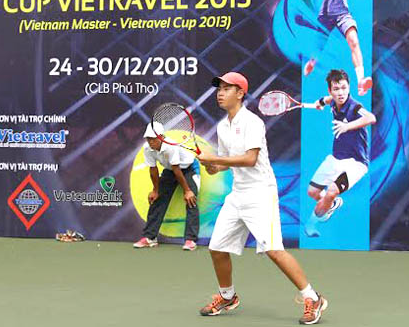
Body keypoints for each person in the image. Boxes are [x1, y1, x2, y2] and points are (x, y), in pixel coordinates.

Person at [197, 72, 328, 325]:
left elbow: (250, 159)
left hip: (261, 193)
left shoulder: (253, 122)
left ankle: (313, 298)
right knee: (217, 248)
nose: (220, 93)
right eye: (219, 89)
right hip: (237, 195)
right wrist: (214, 167)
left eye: (226, 88)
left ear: (240, 93)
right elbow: (225, 162)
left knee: (274, 251)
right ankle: (228, 296)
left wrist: (214, 159)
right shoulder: (222, 127)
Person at [304, 69, 376, 237]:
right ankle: (331, 204)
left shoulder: (354, 107)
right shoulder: (334, 101)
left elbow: (371, 118)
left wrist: (347, 126)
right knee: (312, 192)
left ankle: (311, 224)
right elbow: (328, 99)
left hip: (356, 163)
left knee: (331, 191)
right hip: (336, 158)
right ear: (330, 90)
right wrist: (320, 102)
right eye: (336, 89)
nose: (341, 93)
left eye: (344, 88)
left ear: (349, 88)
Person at [133, 122, 200, 251]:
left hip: (189, 168)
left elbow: (177, 170)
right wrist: (155, 190)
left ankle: (190, 240)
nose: (150, 142)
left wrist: (187, 190)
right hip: (170, 170)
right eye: (148, 138)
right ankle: (150, 237)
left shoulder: (170, 147)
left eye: (153, 139)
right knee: (157, 199)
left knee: (191, 200)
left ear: (162, 137)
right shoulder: (147, 148)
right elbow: (153, 169)